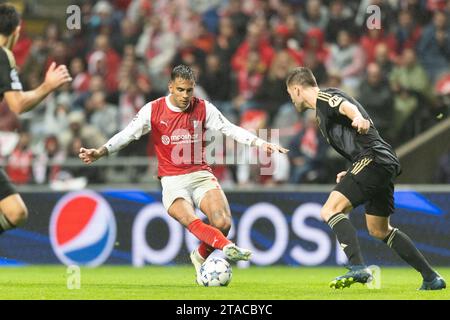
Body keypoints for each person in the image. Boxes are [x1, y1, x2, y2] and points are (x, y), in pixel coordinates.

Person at [79, 65, 288, 285]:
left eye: (189, 90)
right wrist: (100, 151)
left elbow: (230, 128)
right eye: (180, 90)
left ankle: (199, 256)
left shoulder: (203, 108)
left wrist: (260, 142)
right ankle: (226, 246)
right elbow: (127, 135)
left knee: (223, 222)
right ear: (170, 87)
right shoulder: (153, 109)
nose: (185, 96)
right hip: (172, 181)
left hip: (200, 174)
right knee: (191, 219)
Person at [285, 67, 446, 291]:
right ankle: (431, 278)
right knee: (379, 229)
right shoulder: (321, 114)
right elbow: (352, 137)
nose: (291, 99)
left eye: (290, 94)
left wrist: (358, 117)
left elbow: (346, 107)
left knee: (330, 210)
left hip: (373, 159)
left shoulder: (324, 97)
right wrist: (352, 169)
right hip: (379, 162)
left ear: (297, 89)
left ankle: (357, 268)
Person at [0, 4, 72, 234]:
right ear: (17, 31)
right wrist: (47, 86)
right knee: (15, 212)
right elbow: (18, 104)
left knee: (15, 211)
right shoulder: (3, 55)